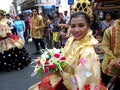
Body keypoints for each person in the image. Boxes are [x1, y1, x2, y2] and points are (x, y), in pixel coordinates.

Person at [29, 12, 107, 90]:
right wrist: (53, 60)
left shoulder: (88, 51)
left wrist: (61, 73)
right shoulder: (71, 39)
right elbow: (64, 55)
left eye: (81, 25)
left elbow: (82, 81)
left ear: (88, 26)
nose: (76, 30)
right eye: (73, 26)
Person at [101, 16, 120, 90]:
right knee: (104, 86)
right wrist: (114, 60)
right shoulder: (110, 31)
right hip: (109, 66)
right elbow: (106, 47)